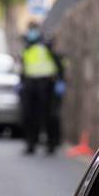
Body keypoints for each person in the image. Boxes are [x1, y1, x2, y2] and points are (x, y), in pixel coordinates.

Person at [19, 21, 64, 154]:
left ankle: (51, 144)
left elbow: (58, 64)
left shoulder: (46, 45)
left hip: (45, 84)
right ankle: (31, 144)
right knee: (29, 115)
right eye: (30, 29)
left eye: (34, 29)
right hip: (30, 83)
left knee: (47, 115)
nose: (32, 32)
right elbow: (24, 66)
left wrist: (60, 81)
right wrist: (21, 81)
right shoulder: (26, 47)